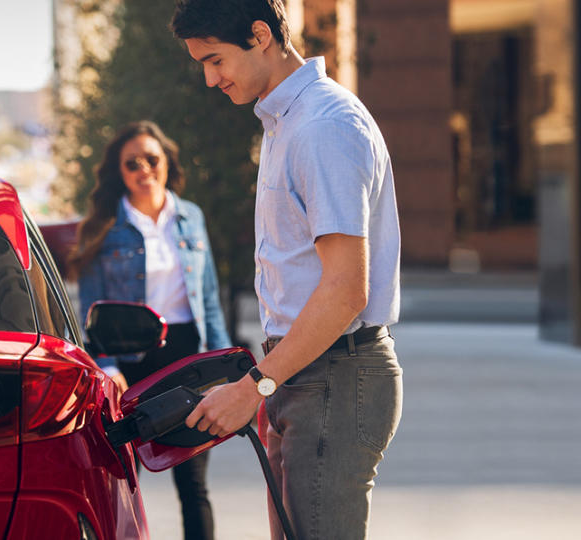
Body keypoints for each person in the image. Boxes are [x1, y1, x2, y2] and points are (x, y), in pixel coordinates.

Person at [171, 1, 403, 539]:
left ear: (260, 35)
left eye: (215, 60)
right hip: (305, 374)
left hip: (334, 377)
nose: (210, 79)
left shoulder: (323, 127)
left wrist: (254, 386)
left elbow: (346, 290)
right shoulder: (288, 122)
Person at [66, 120, 230, 540]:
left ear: (166, 162)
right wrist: (106, 365)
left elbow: (208, 298)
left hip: (185, 356)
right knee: (123, 480)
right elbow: (93, 311)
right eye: (131, 163)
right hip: (130, 361)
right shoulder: (103, 226)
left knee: (193, 482)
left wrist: (224, 366)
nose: (143, 170)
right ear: (118, 172)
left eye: (151, 159)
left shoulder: (190, 217)